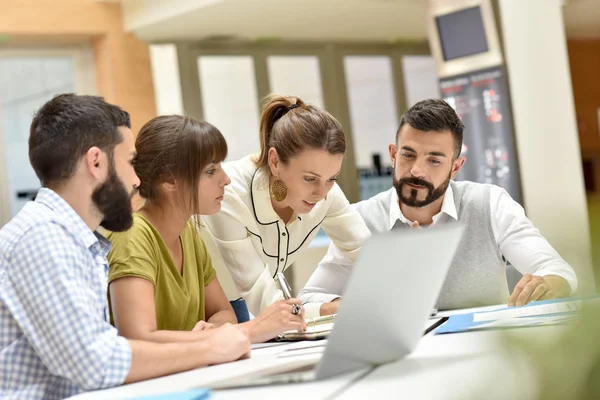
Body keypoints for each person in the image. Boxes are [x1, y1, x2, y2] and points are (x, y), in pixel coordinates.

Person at [0, 94, 250, 400]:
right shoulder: (43, 238)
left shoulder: (73, 240)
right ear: (96, 162)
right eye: (131, 162)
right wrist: (209, 348)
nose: (136, 180)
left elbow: (104, 350)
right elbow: (97, 362)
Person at [299, 98, 577, 312]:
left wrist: (551, 284)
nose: (417, 170)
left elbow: (557, 270)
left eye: (434, 160)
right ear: (393, 155)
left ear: (456, 167)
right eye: (408, 155)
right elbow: (308, 300)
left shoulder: (489, 204)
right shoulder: (360, 219)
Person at [106, 115, 306, 344]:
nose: (226, 179)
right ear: (169, 179)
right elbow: (138, 339)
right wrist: (248, 331)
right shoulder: (132, 237)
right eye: (211, 171)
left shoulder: (188, 231)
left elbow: (224, 314)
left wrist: (210, 334)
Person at [201, 95, 371, 319]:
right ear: (275, 162)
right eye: (310, 179)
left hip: (239, 303)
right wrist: (326, 309)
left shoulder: (326, 192)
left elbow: (369, 254)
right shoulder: (229, 192)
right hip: (201, 306)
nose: (321, 193)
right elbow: (262, 299)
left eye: (332, 178)